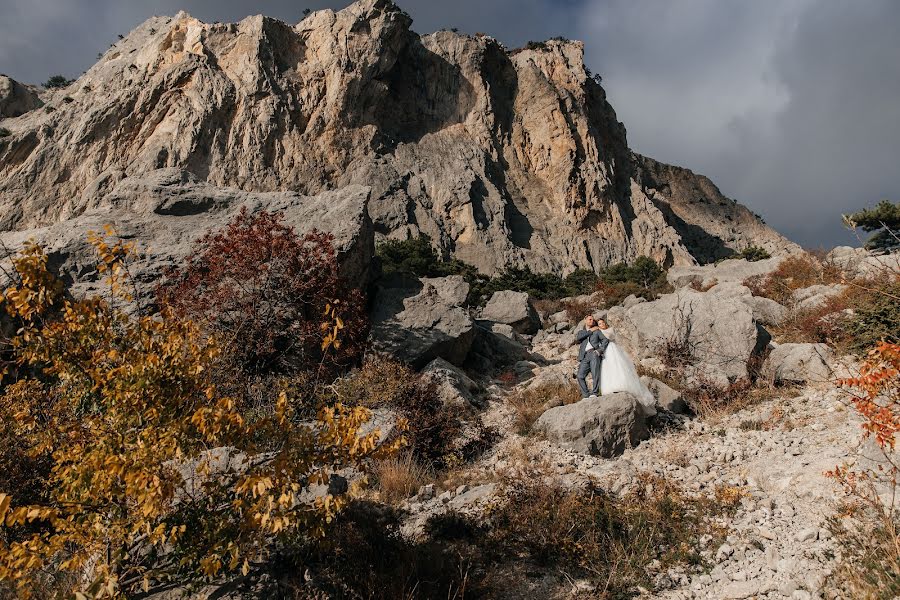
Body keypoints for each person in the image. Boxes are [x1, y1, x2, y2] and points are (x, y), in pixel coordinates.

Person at [596, 317, 656, 414]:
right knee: (608, 368)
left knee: (618, 366)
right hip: (605, 351)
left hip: (612, 349)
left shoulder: (609, 330)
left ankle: (621, 385)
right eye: (599, 324)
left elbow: (609, 337)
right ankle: (610, 387)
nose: (601, 325)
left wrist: (598, 332)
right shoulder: (598, 332)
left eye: (602, 323)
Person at [573, 315, 609, 399]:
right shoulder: (581, 332)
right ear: (585, 320)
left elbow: (605, 340)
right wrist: (590, 331)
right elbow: (578, 338)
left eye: (592, 320)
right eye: (589, 319)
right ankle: (586, 395)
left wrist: (599, 350)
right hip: (585, 356)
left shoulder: (597, 331)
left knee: (595, 373)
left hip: (594, 353)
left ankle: (595, 393)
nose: (592, 321)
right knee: (580, 376)